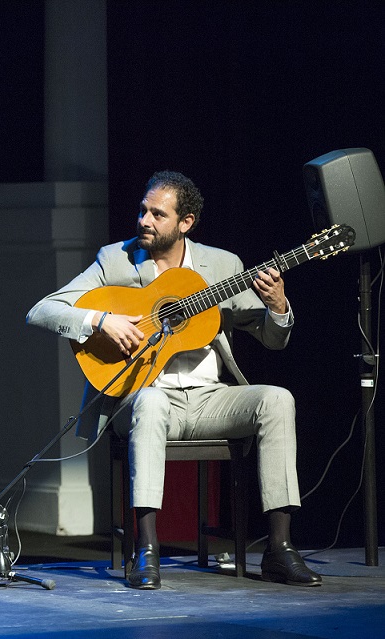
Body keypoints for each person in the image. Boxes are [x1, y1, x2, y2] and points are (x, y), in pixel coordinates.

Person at [26, 170, 321, 589]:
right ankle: (147, 550)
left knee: (276, 399)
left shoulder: (222, 266)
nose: (144, 220)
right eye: (143, 210)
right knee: (150, 401)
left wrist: (277, 306)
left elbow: (273, 340)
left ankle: (279, 549)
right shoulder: (117, 259)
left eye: (157, 214)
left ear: (186, 223)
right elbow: (43, 309)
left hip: (209, 399)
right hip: (144, 400)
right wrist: (101, 320)